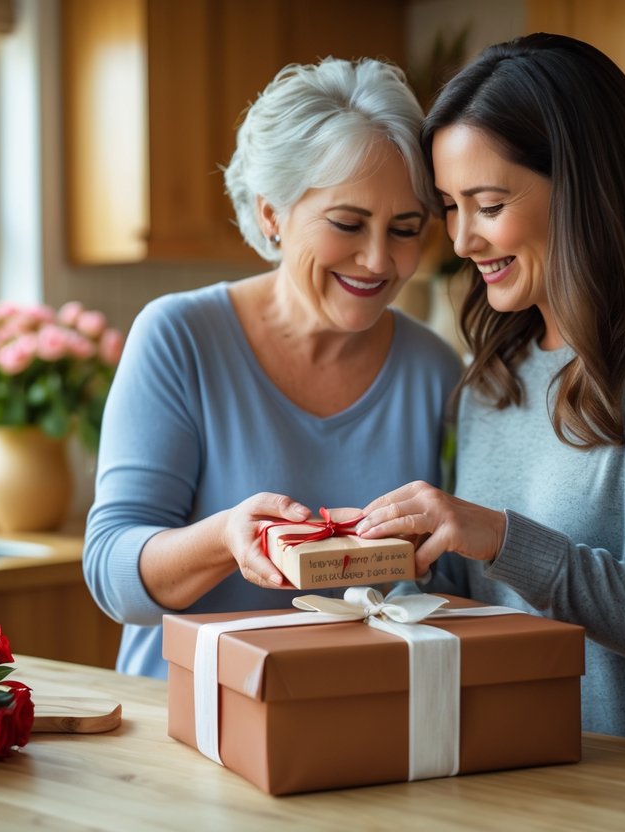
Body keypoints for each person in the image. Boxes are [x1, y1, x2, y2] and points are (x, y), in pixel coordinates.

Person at [356, 33, 625, 759]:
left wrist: (497, 535)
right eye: (449, 208)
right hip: (527, 771)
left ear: (581, 184)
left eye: (486, 205)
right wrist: (392, 565)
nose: (460, 240)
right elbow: (484, 589)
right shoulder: (499, 361)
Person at [84, 57, 463, 679]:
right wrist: (224, 538)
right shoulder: (180, 336)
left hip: (361, 715)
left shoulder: (433, 369)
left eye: (405, 229)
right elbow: (111, 578)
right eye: (347, 223)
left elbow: (450, 581)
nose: (377, 260)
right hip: (189, 720)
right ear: (271, 214)